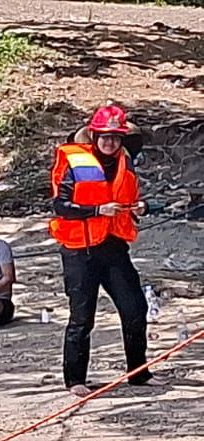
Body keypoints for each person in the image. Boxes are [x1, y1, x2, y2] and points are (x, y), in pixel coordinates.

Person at [51, 104, 154, 398]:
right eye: (104, 136)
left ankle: (138, 373)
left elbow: (130, 199)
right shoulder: (74, 163)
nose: (110, 142)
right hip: (78, 251)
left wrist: (140, 207)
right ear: (94, 136)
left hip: (112, 246)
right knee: (82, 318)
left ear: (122, 139)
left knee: (135, 309)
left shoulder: (126, 162)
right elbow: (61, 206)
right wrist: (97, 209)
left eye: (115, 137)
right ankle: (75, 380)